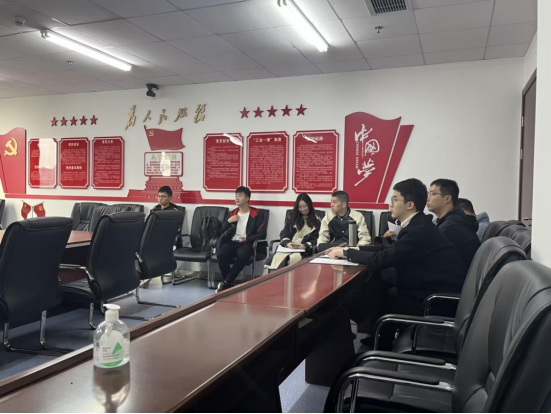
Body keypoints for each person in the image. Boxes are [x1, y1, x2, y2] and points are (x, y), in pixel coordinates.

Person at [328, 179, 467, 317]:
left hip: (432, 301)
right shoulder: (418, 224)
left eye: (395, 199)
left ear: (410, 204)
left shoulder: (418, 230)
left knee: (370, 291)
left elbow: (381, 259)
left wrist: (346, 252)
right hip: (426, 290)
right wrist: (358, 249)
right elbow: (389, 248)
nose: (390, 205)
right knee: (375, 286)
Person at [216, 187, 266, 293]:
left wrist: (248, 239)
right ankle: (228, 283)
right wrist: (228, 222)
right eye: (235, 195)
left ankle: (226, 282)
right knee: (221, 254)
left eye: (240, 195)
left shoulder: (256, 214)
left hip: (247, 243)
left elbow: (262, 234)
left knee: (243, 255)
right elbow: (222, 232)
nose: (236, 198)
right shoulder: (232, 213)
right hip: (232, 242)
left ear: (247, 198)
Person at [426, 179, 481, 268]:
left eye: (432, 194)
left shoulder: (451, 227)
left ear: (447, 198)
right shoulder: (453, 220)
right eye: (428, 194)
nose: (428, 199)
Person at [266, 194, 322, 270]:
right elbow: (284, 233)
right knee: (277, 257)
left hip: (306, 249)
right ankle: (278, 277)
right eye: (300, 207)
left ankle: (292, 277)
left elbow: (318, 238)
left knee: (293, 258)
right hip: (290, 247)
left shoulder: (317, 220)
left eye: (305, 206)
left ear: (309, 205)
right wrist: (288, 243)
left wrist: (306, 245)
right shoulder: (292, 217)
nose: (302, 209)